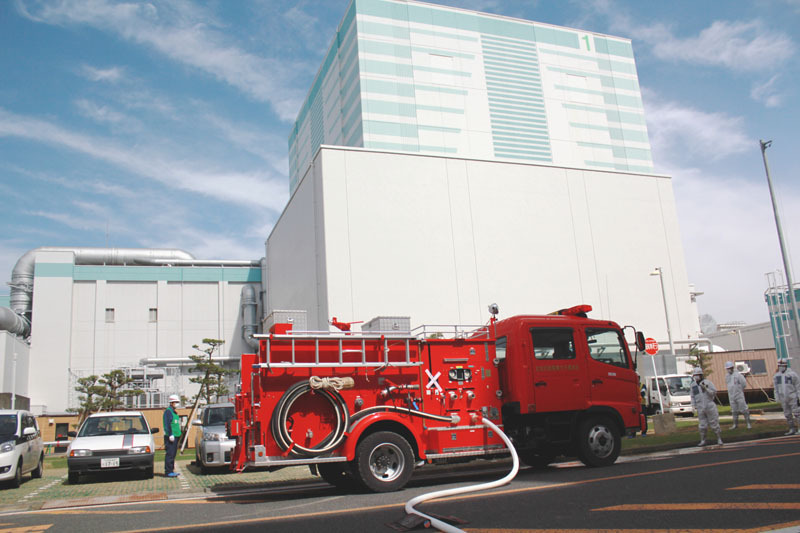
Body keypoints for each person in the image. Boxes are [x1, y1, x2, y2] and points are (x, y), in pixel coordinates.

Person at [690, 367, 722, 446]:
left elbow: (714, 393)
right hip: (700, 407)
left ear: (701, 375)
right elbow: (692, 396)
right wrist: (693, 405)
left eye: (698, 375)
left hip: (709, 405)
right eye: (695, 375)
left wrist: (706, 388)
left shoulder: (707, 382)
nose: (696, 377)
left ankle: (719, 438)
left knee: (714, 423)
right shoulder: (693, 385)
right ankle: (703, 440)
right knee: (702, 425)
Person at [773, 359, 800, 435]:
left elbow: (798, 386)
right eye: (779, 365)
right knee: (787, 414)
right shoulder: (776, 376)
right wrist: (777, 397)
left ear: (785, 365)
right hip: (783, 398)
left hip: (792, 396)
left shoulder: (792, 374)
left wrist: (798, 396)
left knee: (797, 413)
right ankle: (792, 428)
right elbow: (776, 388)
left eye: (782, 365)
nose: (781, 367)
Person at [724, 361, 751, 429]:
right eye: (727, 368)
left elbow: (744, 384)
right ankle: (735, 425)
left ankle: (748, 423)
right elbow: (728, 385)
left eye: (729, 368)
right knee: (734, 411)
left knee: (744, 409)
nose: (728, 369)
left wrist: (739, 390)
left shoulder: (738, 375)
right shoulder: (727, 376)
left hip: (739, 395)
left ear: (732, 367)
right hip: (731, 396)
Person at [163, 395, 182, 477]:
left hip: (176, 435)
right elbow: (167, 424)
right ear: (171, 403)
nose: (177, 404)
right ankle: (168, 471)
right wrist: (170, 434)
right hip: (171, 436)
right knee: (170, 454)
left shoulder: (174, 412)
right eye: (176, 402)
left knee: (173, 454)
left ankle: (171, 469)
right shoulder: (168, 412)